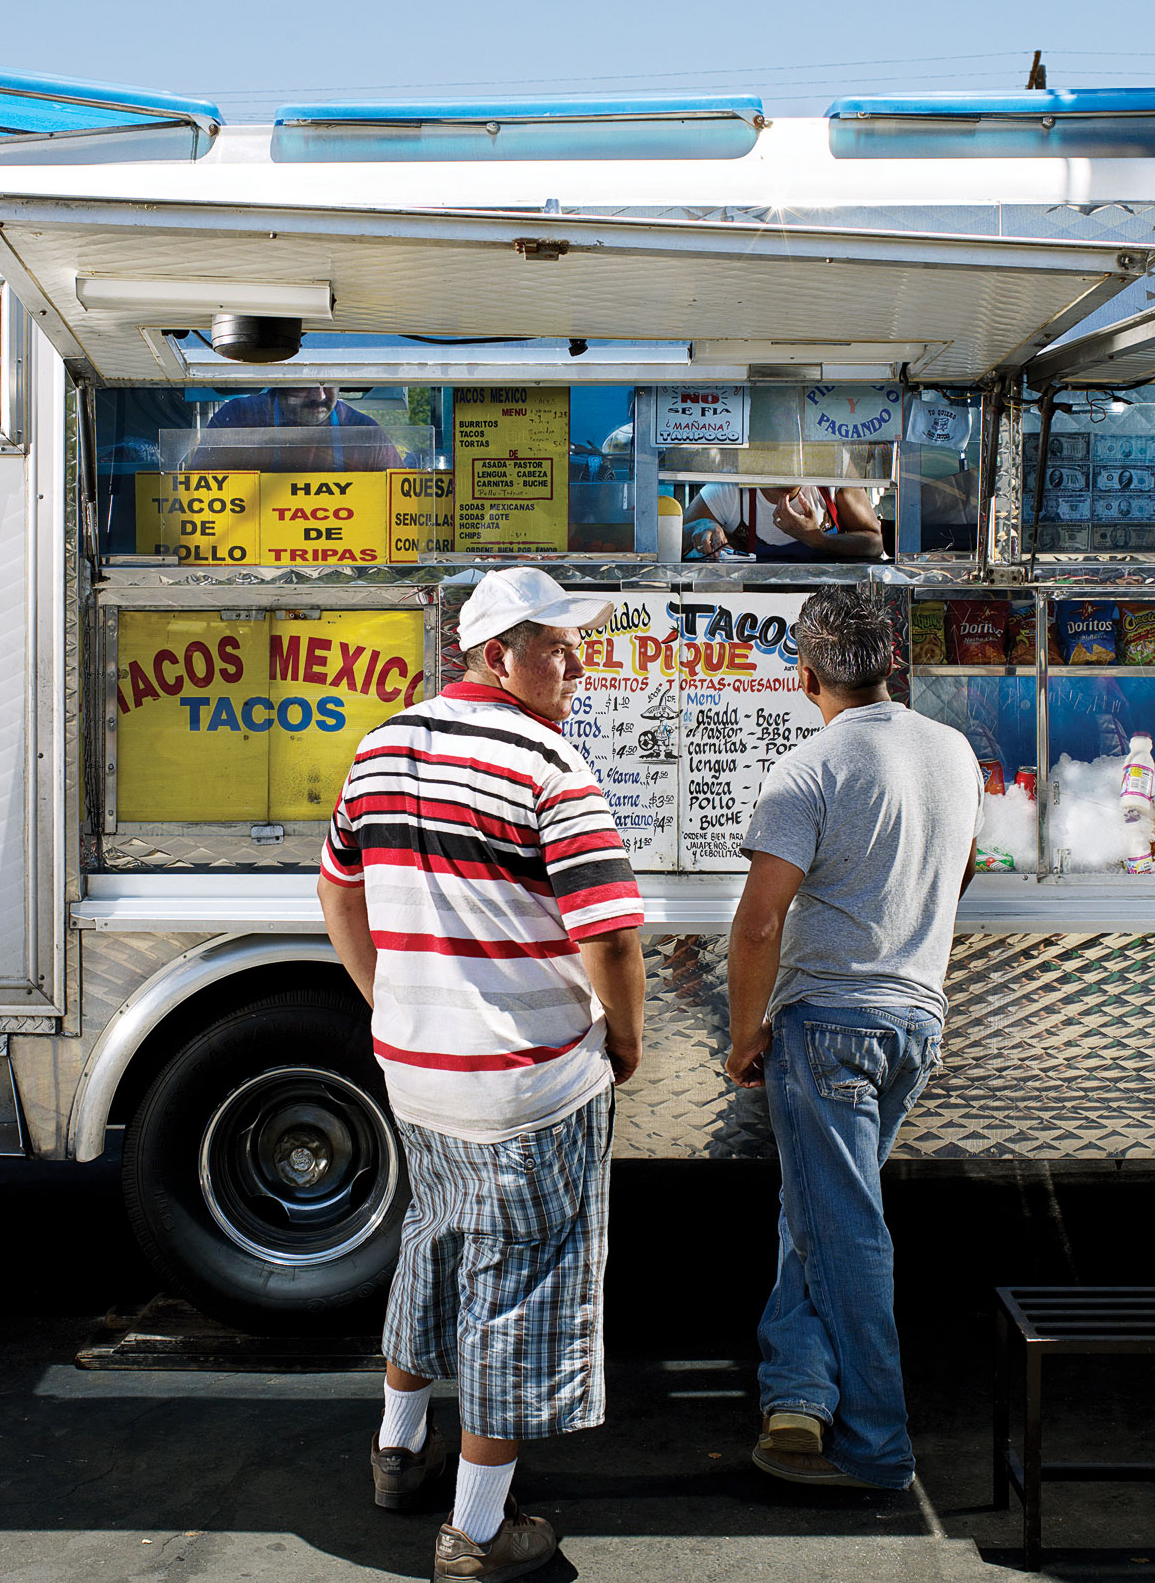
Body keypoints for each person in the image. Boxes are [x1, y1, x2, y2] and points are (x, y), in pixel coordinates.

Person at [319, 565, 647, 1583]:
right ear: (493, 654)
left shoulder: (379, 747)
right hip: (525, 1084)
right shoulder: (549, 767)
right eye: (552, 645)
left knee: (432, 1245)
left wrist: (387, 1001)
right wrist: (625, 1040)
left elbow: (337, 892)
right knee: (522, 1288)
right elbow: (610, 942)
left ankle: (395, 1448)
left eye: (573, 643)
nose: (575, 663)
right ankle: (474, 1529)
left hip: (415, 1073)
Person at [721, 584, 979, 1491]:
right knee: (820, 1213)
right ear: (895, 666)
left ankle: (878, 1447)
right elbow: (961, 875)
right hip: (916, 1018)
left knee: (848, 1231)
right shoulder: (954, 753)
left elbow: (757, 925)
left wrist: (743, 1033)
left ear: (804, 676)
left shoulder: (808, 770)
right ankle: (797, 1395)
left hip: (828, 1025)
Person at [188, 384, 403, 472]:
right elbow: (199, 497)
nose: (319, 395)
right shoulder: (239, 418)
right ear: (282, 377)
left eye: (328, 382)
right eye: (306, 381)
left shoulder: (365, 432)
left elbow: (402, 505)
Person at [684, 480, 883, 561]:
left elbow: (875, 544)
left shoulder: (834, 481)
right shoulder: (727, 491)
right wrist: (699, 527)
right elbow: (669, 542)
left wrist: (818, 539)